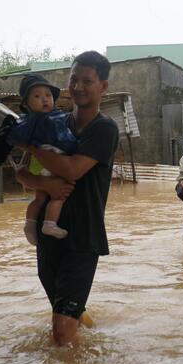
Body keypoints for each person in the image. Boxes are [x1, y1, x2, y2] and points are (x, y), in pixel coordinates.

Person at [15, 51, 119, 346]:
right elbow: (21, 173)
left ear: (103, 86)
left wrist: (29, 143)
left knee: (61, 332)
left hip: (83, 238)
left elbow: (72, 169)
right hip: (49, 233)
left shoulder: (104, 129)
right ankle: (87, 338)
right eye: (73, 79)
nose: (78, 86)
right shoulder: (51, 121)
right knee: (62, 311)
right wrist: (44, 185)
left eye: (87, 80)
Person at [13, 74, 78, 245]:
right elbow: (66, 141)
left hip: (36, 165)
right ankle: (50, 224)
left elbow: (25, 151)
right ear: (26, 104)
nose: (44, 99)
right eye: (37, 96)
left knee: (40, 198)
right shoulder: (54, 119)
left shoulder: (25, 123)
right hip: (53, 164)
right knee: (58, 197)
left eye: (48, 95)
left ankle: (29, 224)